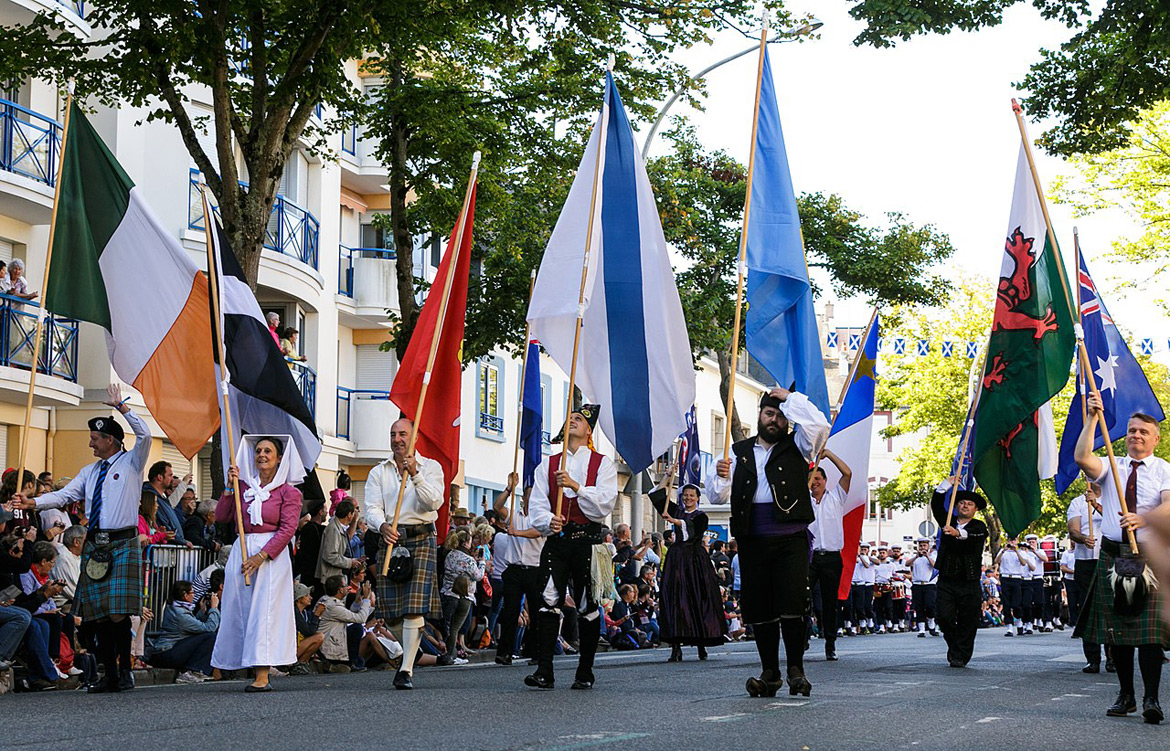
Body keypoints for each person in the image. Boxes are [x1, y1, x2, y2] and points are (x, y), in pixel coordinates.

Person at [19, 384, 151, 693]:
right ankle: (110, 675)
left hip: (123, 542)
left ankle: (123, 671)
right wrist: (33, 503)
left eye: (95, 439)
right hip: (97, 543)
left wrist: (123, 407)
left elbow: (144, 435)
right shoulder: (90, 471)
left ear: (110, 440)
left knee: (118, 614)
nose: (91, 443)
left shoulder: (132, 462)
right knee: (100, 616)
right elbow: (64, 494)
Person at [712, 387, 830, 698]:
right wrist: (722, 476)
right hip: (752, 539)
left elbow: (819, 426)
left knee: (792, 603)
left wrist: (791, 399)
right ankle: (770, 672)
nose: (774, 419)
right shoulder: (738, 451)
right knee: (759, 607)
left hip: (789, 536)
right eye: (769, 413)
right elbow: (718, 496)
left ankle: (796, 670)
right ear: (760, 416)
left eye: (780, 416)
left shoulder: (799, 446)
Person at [1073, 397, 1170, 724]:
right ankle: (1126, 695)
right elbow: (1082, 457)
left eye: (1143, 432)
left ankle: (1152, 699)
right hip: (1117, 554)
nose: (1136, 436)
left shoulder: (1164, 469)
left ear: (1155, 438)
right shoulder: (1112, 465)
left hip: (1149, 555)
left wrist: (1145, 519)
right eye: (1131, 431)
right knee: (1121, 632)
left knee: (1151, 634)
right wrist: (1090, 418)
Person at [525, 404, 618, 690]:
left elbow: (604, 503)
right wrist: (547, 521)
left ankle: (585, 671)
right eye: (569, 418)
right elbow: (537, 504)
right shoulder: (548, 464)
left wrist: (576, 486)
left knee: (588, 605)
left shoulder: (602, 463)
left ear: (589, 430)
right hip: (558, 542)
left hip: (588, 542)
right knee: (548, 602)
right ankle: (544, 671)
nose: (572, 421)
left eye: (579, 419)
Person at [211, 435, 303, 692]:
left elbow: (287, 530)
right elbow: (222, 516)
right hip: (243, 547)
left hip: (270, 557)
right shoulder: (243, 486)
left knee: (265, 612)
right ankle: (236, 662)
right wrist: (229, 488)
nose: (262, 454)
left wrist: (261, 556)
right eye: (258, 450)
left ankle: (262, 673)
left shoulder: (289, 492)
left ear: (279, 458)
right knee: (239, 607)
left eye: (268, 451)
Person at [362, 417, 446, 691]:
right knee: (393, 613)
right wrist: (381, 525)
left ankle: (406, 668)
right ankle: (412, 650)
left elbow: (434, 501)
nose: (397, 439)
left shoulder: (431, 468)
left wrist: (416, 475)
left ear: (415, 438)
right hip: (391, 539)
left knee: (413, 609)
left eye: (403, 434)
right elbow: (372, 507)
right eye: (393, 434)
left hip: (421, 537)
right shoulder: (379, 472)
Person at [648, 468, 725, 662]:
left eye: (692, 495)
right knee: (674, 599)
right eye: (685, 495)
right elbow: (656, 496)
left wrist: (673, 520)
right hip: (677, 558)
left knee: (698, 597)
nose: (688, 498)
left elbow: (692, 529)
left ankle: (701, 644)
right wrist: (667, 476)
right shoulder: (677, 510)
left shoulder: (701, 516)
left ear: (698, 497)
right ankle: (675, 647)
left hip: (695, 559)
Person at [930, 477, 989, 668]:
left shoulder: (979, 526)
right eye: (962, 502)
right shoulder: (947, 520)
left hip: (969, 581)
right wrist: (946, 485)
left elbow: (975, 536)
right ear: (956, 506)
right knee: (944, 617)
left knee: (967, 619)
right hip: (947, 579)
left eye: (969, 504)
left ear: (975, 509)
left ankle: (961, 655)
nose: (965, 506)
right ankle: (953, 645)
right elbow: (936, 504)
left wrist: (957, 534)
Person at [807, 449, 852, 659]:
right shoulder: (803, 502)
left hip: (832, 557)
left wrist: (829, 455)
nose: (815, 482)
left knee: (830, 602)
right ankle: (803, 636)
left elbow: (847, 473)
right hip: (810, 557)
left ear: (825, 480)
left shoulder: (836, 498)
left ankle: (830, 643)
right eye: (811, 479)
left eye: (818, 478)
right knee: (803, 598)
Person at [1067, 482, 1110, 672]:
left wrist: (1097, 506)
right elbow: (1073, 530)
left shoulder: (1114, 501)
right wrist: (1083, 538)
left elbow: (1118, 523)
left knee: (1111, 607)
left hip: (1110, 559)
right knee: (1088, 608)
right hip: (1085, 561)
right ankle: (1093, 658)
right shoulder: (1077, 502)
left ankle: (1113, 657)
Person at [146, 580, 219, 683]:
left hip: (164, 652)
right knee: (210, 636)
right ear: (185, 595)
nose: (194, 596)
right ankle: (192, 672)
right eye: (192, 593)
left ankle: (191, 671)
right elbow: (209, 627)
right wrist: (214, 608)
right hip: (166, 654)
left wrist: (202, 611)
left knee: (206, 636)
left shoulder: (174, 607)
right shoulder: (180, 614)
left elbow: (192, 628)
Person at [438, 528, 483, 666]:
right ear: (466, 543)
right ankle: (451, 654)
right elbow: (478, 576)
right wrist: (481, 563)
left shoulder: (450, 555)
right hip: (464, 595)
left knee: (447, 626)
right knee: (455, 627)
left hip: (448, 593)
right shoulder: (468, 559)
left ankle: (448, 653)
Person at [317, 574, 374, 671]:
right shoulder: (333, 606)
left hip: (331, 640)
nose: (348, 587)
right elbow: (361, 618)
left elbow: (348, 614)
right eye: (345, 585)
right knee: (357, 628)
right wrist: (366, 599)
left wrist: (357, 601)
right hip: (330, 649)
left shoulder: (327, 599)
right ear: (340, 590)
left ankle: (353, 661)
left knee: (354, 628)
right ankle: (353, 662)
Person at [318, 499, 363, 585]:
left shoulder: (339, 528)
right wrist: (350, 562)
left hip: (337, 577)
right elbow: (330, 556)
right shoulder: (334, 529)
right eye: (355, 511)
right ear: (349, 515)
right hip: (332, 579)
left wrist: (354, 560)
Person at [906, 537, 939, 637]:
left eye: (924, 545)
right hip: (917, 584)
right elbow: (907, 564)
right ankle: (921, 629)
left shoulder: (933, 555)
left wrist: (927, 556)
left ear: (928, 546)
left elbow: (935, 566)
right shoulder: (914, 557)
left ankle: (931, 623)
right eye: (920, 545)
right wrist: (916, 556)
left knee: (930, 605)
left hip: (929, 584)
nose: (922, 547)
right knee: (918, 607)